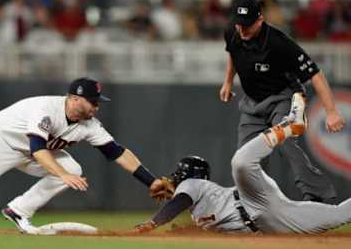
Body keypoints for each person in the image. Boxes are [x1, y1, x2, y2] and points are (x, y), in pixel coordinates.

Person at [0, 77, 161, 233]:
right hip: (3, 140)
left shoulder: (89, 126)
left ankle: (18, 210)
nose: (96, 108)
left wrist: (151, 181)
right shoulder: (47, 108)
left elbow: (117, 153)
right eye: (93, 102)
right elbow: (38, 149)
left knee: (74, 171)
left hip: (36, 152)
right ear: (75, 99)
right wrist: (62, 173)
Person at [136, 93, 351, 234]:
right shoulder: (198, 213)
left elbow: (178, 202)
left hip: (253, 197)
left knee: (240, 162)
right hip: (273, 220)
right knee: (337, 216)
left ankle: (288, 126)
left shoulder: (191, 185)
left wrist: (153, 223)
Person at [219, 0, 345, 202]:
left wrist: (331, 111)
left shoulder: (279, 42)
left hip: (283, 97)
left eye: (248, 25)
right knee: (244, 157)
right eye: (239, 24)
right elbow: (233, 54)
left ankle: (316, 194)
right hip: (252, 102)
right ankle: (253, 201)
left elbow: (315, 74)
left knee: (285, 142)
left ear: (260, 20)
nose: (242, 30)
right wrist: (227, 82)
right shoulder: (233, 32)